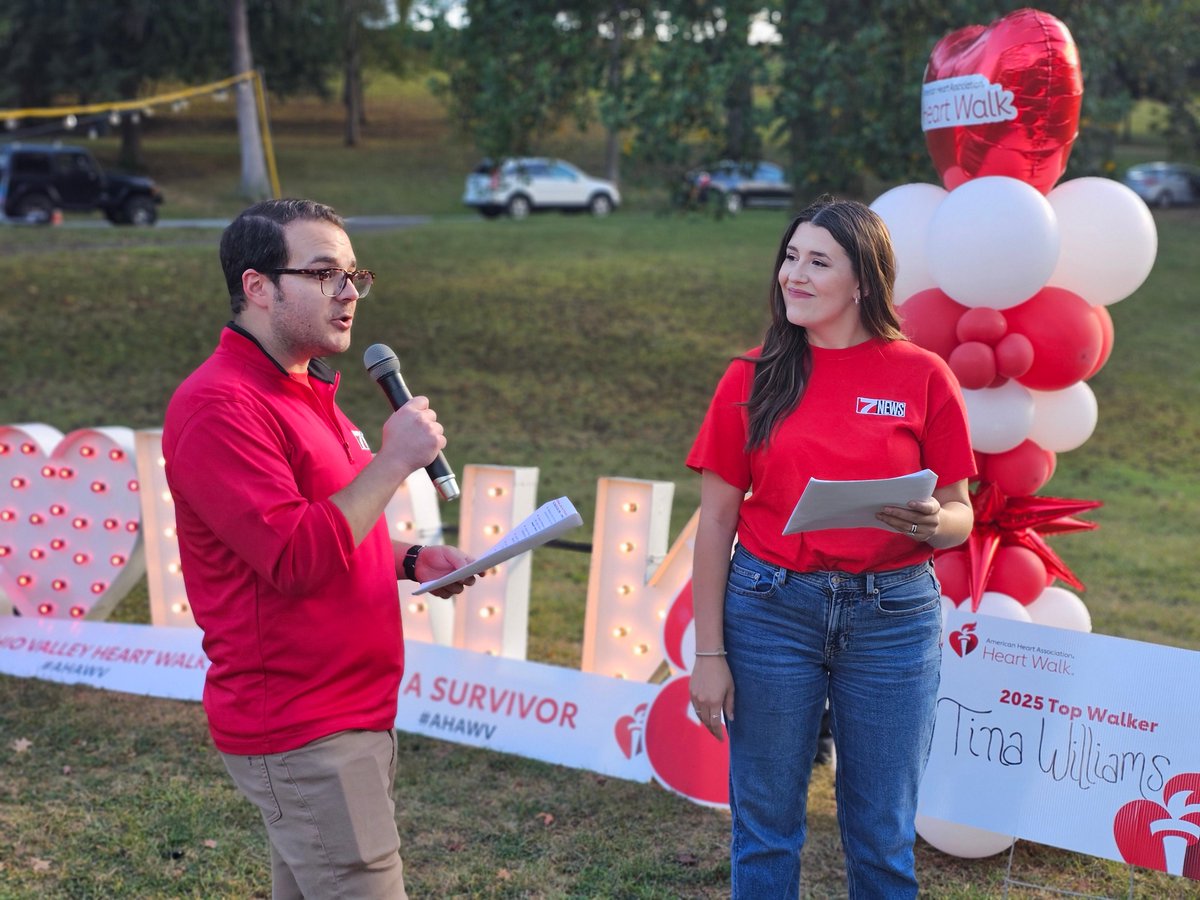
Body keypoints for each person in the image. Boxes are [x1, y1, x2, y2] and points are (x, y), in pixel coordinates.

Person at [163, 198, 477, 899]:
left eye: (354, 275)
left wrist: (407, 559)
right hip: (303, 723)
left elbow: (322, 523)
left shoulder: (307, 390)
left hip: (352, 710)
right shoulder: (220, 406)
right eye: (323, 273)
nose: (348, 292)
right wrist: (392, 461)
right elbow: (296, 557)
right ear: (257, 286)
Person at [686, 197, 975, 898]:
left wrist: (931, 523)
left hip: (894, 619)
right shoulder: (750, 376)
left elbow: (962, 514)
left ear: (864, 282)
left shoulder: (923, 375)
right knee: (765, 829)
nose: (794, 275)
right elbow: (716, 522)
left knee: (882, 837)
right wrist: (709, 655)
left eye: (818, 262)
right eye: (791, 257)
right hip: (770, 610)